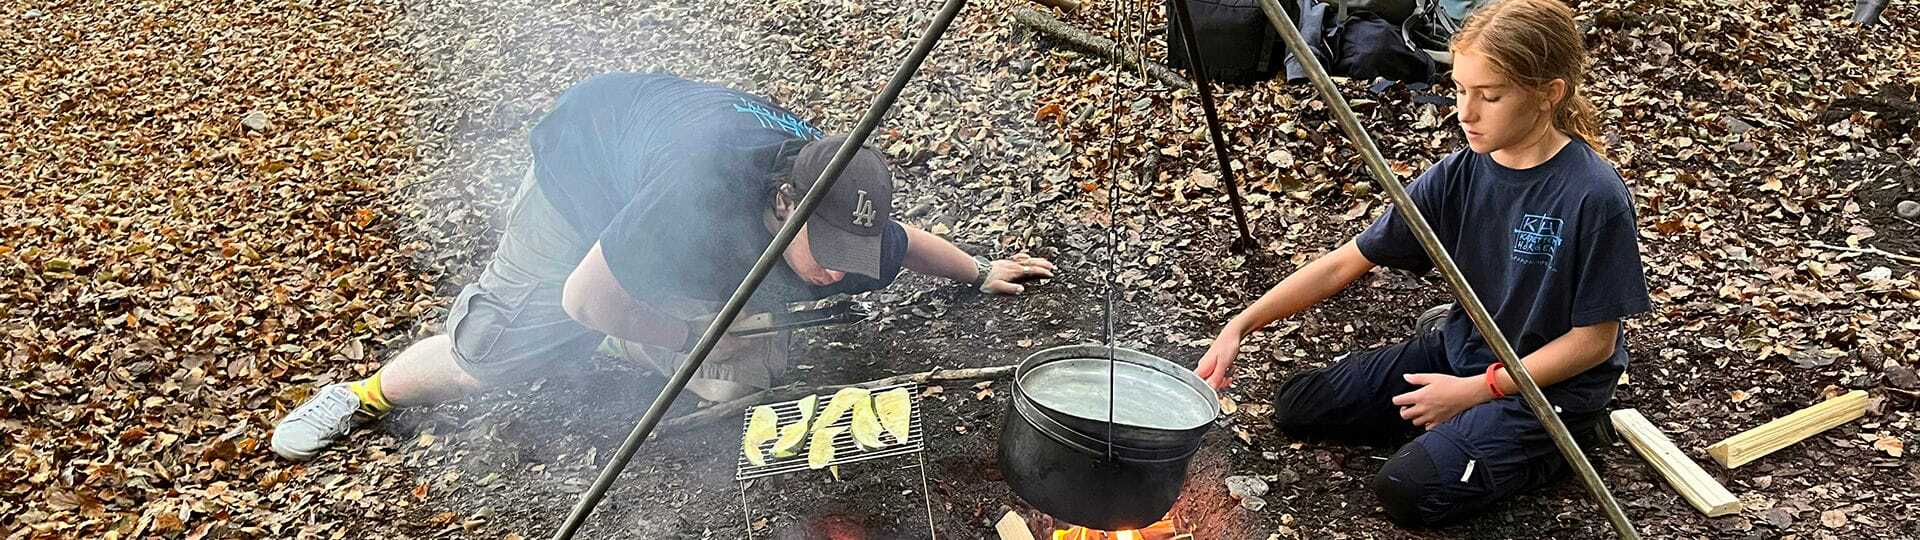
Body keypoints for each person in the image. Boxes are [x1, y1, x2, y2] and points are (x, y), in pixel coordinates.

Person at [272, 73, 1057, 461]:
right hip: (583, 174)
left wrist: (980, 268)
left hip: (673, 184)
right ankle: (362, 394)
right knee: (500, 355)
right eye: (826, 256)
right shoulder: (693, 195)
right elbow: (585, 297)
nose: (834, 276)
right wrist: (689, 334)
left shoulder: (834, 205)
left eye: (850, 256)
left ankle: (655, 332)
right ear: (785, 205)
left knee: (742, 360)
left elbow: (905, 242)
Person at [1192, 0, 1650, 527]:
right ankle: (1455, 424)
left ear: (1549, 95)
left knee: (1408, 491)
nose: (1466, 112)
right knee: (1299, 405)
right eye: (1460, 89)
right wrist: (1241, 324)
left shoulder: (1591, 195)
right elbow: (1348, 262)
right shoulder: (1460, 173)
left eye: (1490, 96)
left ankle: (1563, 442)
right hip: (1463, 346)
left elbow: (1596, 341)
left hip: (1550, 389)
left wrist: (1479, 391)